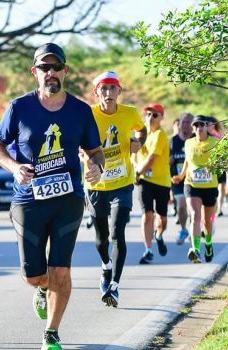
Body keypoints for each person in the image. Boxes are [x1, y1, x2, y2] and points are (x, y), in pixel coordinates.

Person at [0, 43, 104, 350]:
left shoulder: (81, 111)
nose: (50, 73)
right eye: (44, 68)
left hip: (68, 199)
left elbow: (95, 152)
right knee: (35, 275)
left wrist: (96, 168)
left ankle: (51, 332)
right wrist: (14, 167)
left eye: (56, 67)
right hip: (28, 200)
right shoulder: (19, 108)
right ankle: (40, 289)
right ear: (34, 72)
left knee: (61, 270)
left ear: (65, 71)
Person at [85, 71, 145, 308]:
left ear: (119, 91)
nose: (108, 93)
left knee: (117, 232)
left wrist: (138, 142)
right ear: (96, 92)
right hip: (96, 184)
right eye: (104, 89)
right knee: (101, 240)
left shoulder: (130, 113)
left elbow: (141, 130)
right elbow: (78, 143)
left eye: (113, 89)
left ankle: (115, 286)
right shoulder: (88, 115)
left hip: (122, 183)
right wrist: (87, 159)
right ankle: (105, 266)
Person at [171, 115, 220, 263]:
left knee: (206, 221)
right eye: (196, 125)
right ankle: (196, 249)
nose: (199, 128)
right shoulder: (188, 143)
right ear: (193, 128)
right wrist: (180, 176)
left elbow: (223, 161)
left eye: (201, 125)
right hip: (191, 184)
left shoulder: (215, 143)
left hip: (210, 185)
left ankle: (209, 244)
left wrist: (212, 167)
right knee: (194, 215)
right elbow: (187, 161)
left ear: (206, 127)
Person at [134, 103, 171, 264]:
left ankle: (159, 235)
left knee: (162, 219)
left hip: (161, 181)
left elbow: (151, 159)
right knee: (147, 215)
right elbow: (133, 152)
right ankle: (148, 250)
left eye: (155, 115)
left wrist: (137, 172)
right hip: (145, 181)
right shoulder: (141, 133)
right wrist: (134, 168)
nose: (150, 118)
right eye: (148, 114)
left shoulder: (160, 135)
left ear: (162, 118)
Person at [169, 112, 194, 245]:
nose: (184, 125)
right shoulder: (173, 141)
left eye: (188, 123)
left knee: (193, 208)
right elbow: (165, 159)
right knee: (182, 206)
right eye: (182, 122)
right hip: (178, 179)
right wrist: (169, 160)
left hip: (193, 179)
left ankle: (193, 229)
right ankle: (184, 229)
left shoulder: (196, 139)